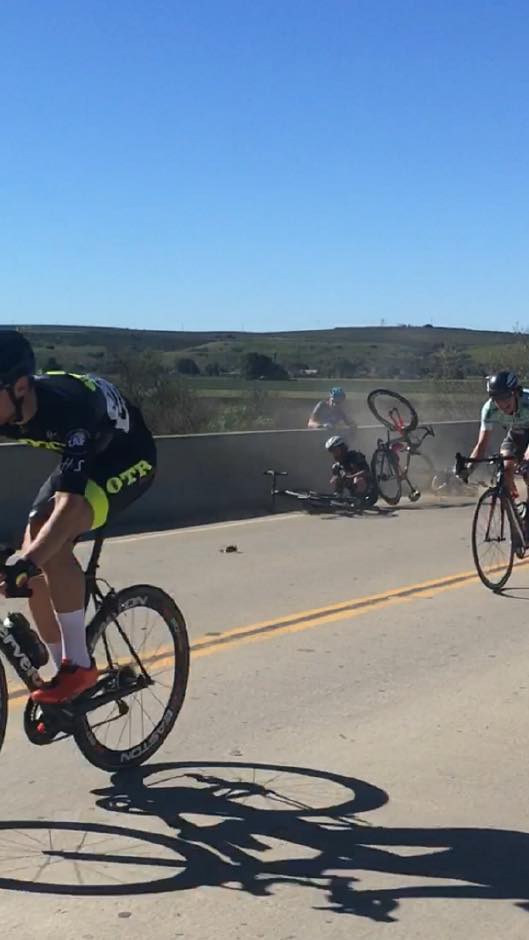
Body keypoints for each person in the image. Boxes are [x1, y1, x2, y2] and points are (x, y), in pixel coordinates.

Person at [0, 330, 157, 704]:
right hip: (83, 458)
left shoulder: (68, 409)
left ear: (20, 387)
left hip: (127, 456)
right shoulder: (8, 403)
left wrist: (29, 559)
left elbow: (70, 506)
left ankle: (81, 666)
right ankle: (63, 677)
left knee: (42, 546)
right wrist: (28, 560)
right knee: (32, 565)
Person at [461, 370, 529, 495]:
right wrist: (468, 470)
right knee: (506, 469)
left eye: (506, 396)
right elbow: (482, 445)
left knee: (527, 470)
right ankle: (514, 505)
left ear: (515, 392)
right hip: (517, 433)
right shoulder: (489, 409)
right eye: (497, 398)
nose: (502, 403)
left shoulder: (527, 401)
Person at [325, 435, 376, 504]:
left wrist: (351, 476)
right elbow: (336, 479)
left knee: (358, 480)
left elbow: (366, 472)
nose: (335, 454)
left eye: (336, 451)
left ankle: (360, 498)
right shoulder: (337, 466)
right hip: (353, 491)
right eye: (333, 452)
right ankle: (338, 497)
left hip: (369, 491)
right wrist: (336, 478)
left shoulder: (355, 456)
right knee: (336, 478)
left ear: (343, 448)